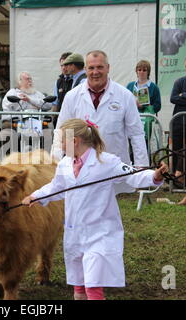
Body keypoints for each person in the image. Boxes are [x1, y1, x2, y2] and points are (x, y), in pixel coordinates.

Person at [22, 118, 167, 300]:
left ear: (74, 141)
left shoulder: (106, 162)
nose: (59, 145)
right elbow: (56, 187)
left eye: (61, 141)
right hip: (75, 231)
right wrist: (36, 196)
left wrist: (154, 176)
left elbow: (133, 175)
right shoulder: (65, 164)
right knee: (79, 287)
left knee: (93, 286)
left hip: (100, 233)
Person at [53, 50, 149, 194]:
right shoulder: (72, 96)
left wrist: (142, 167)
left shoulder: (125, 96)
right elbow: (62, 131)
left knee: (110, 211)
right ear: (85, 69)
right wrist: (59, 162)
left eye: (100, 67)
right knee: (80, 211)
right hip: (80, 168)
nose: (95, 72)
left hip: (113, 167)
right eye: (91, 68)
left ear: (108, 68)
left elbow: (136, 134)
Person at [126, 60, 161, 143]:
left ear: (148, 72)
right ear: (136, 71)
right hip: (132, 118)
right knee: (131, 143)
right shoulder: (130, 86)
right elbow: (124, 101)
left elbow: (158, 105)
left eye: (144, 70)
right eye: (139, 70)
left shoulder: (153, 87)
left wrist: (145, 106)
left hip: (146, 120)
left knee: (144, 143)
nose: (141, 72)